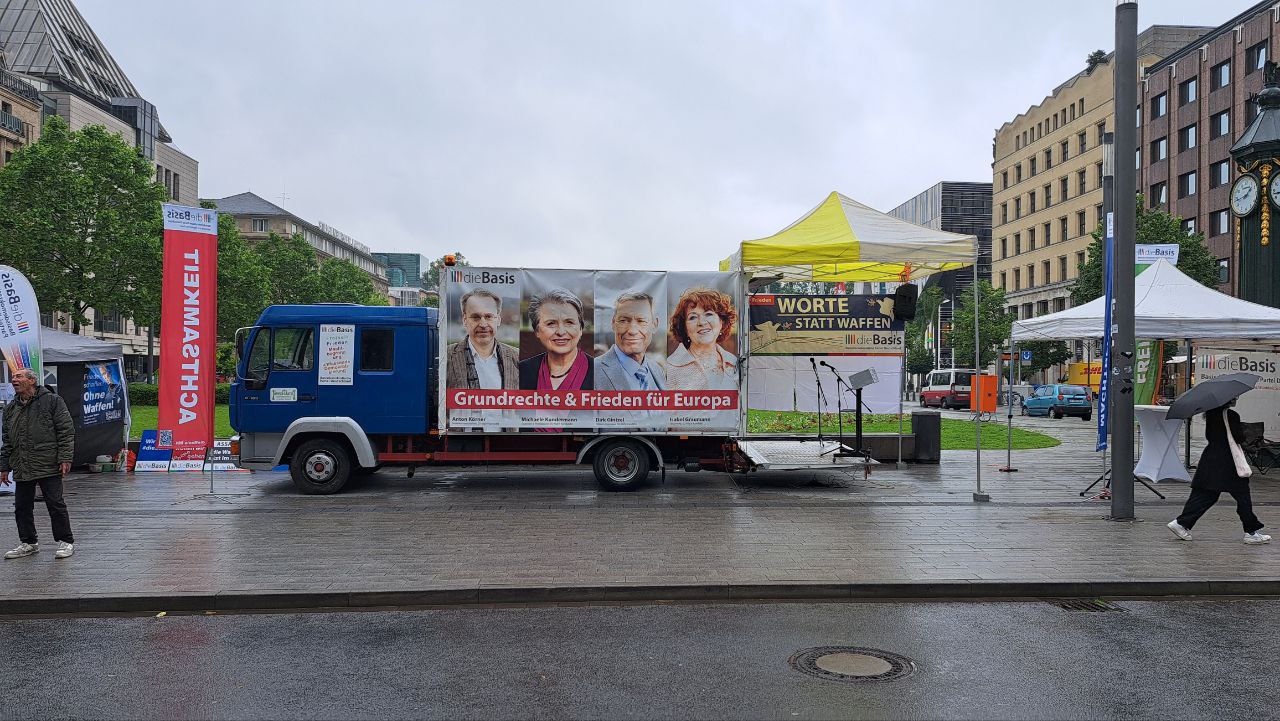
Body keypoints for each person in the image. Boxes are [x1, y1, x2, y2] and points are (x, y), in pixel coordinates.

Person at [1168, 399, 1270, 545]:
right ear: (1226, 400)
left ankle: (1181, 523)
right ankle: (1251, 532)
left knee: (1205, 495)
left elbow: (1211, 436)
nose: (1236, 399)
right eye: (1234, 397)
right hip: (1228, 462)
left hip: (1210, 459)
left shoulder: (1210, 414)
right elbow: (1239, 438)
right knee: (1243, 496)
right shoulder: (1231, 415)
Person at [1, 368, 76, 559]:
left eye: (19, 377)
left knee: (55, 504)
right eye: (13, 377)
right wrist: (3, 466)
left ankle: (66, 541)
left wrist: (65, 457)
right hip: (22, 464)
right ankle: (28, 542)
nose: (14, 380)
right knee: (22, 506)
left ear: (32, 381)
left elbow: (65, 430)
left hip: (48, 462)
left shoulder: (52, 401)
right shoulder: (10, 409)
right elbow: (7, 440)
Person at [519, 288, 593, 391]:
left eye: (569, 322)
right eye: (551, 323)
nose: (561, 332)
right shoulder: (520, 372)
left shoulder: (600, 372)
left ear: (581, 328)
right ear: (537, 331)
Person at [445, 289, 519, 390]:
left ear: (498, 320)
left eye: (489, 316)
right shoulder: (446, 356)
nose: (483, 324)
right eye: (476, 317)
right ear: (464, 320)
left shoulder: (518, 358)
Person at [666, 287, 737, 391]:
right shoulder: (670, 367)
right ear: (684, 328)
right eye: (693, 317)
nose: (702, 322)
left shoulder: (733, 362)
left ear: (721, 322)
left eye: (708, 314)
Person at [594, 291, 666, 391]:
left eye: (641, 321)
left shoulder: (657, 370)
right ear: (613, 323)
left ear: (655, 325)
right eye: (624, 320)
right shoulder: (592, 372)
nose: (632, 330)